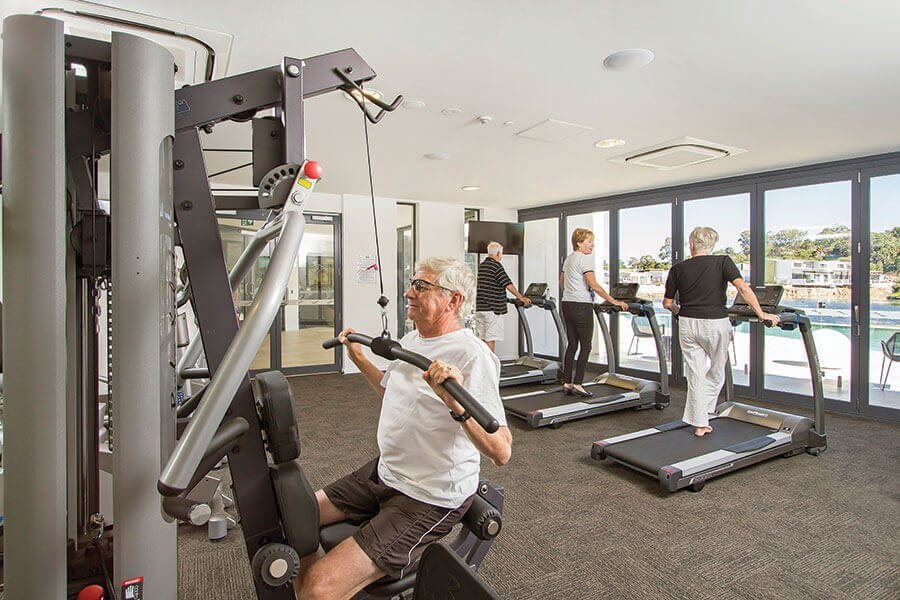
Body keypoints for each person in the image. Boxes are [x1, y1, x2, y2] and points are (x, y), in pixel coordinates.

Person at [294, 256, 512, 600]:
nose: (409, 293)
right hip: (386, 473)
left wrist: (454, 402)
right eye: (412, 284)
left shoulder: (473, 356)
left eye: (421, 286)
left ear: (453, 300)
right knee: (294, 518)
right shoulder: (412, 340)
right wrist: (360, 360)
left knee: (319, 590)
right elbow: (391, 391)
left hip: (429, 495)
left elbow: (501, 450)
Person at [663, 226, 781, 437]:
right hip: (715, 322)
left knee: (695, 375)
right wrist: (762, 314)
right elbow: (742, 288)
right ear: (712, 245)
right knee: (717, 373)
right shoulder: (723, 262)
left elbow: (667, 303)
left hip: (687, 323)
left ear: (692, 244)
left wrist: (681, 312)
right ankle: (705, 412)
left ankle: (701, 421)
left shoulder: (678, 268)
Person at [559, 228, 628, 397]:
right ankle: (578, 383)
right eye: (589, 241)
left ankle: (567, 383)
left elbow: (562, 282)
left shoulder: (569, 259)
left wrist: (572, 293)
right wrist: (614, 301)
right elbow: (594, 285)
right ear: (579, 243)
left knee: (572, 345)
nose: (592, 244)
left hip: (567, 304)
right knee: (586, 346)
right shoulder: (584, 259)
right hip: (581, 306)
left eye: (592, 241)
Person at [474, 241, 531, 352]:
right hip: (492, 309)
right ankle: (490, 363)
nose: (502, 256)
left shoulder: (482, 266)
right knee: (490, 338)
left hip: (480, 308)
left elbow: (487, 286)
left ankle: (482, 362)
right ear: (498, 253)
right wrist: (521, 298)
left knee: (482, 339)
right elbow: (508, 284)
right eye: (502, 253)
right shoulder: (496, 266)